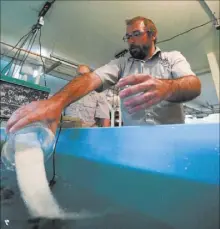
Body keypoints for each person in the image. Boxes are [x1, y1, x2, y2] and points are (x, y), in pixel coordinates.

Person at [6, 16, 201, 134]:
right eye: (128, 37)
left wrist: (167, 87)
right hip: (132, 141)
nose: (131, 41)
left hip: (170, 138)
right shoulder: (122, 64)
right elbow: (92, 78)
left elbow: (193, 85)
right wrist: (56, 102)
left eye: (136, 34)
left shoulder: (172, 58)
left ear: (153, 34)